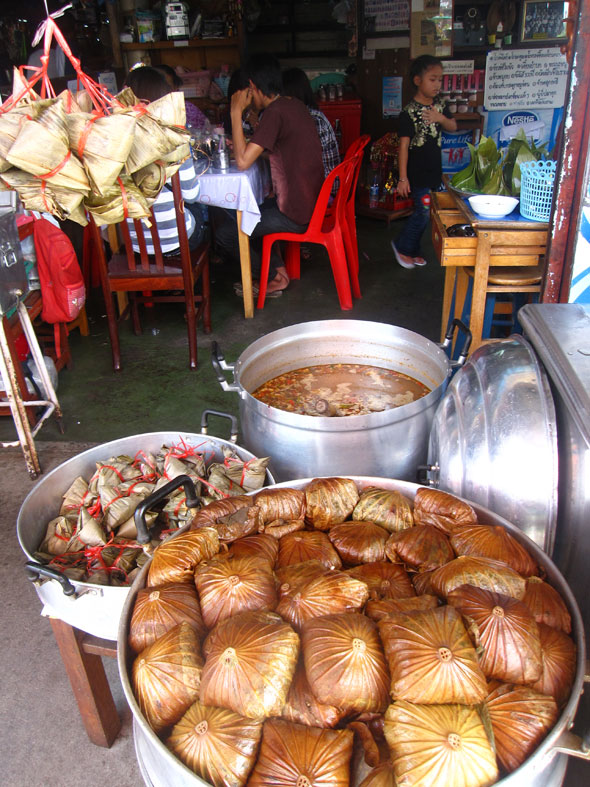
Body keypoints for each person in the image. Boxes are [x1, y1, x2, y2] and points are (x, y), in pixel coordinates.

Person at [214, 54, 324, 297]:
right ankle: (278, 271)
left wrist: (235, 112)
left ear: (252, 87)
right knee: (247, 209)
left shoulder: (274, 112)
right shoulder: (292, 104)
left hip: (296, 212)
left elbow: (242, 162)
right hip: (310, 202)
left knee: (226, 234)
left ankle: (274, 276)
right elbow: (280, 153)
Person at [123, 66, 205, 254]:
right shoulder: (175, 139)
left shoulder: (110, 142)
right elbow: (192, 195)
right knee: (199, 211)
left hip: (133, 245)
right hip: (175, 242)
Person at [392, 55, 457, 270]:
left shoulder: (440, 106)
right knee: (422, 212)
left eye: (440, 79)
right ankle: (403, 247)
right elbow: (403, 147)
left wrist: (441, 119)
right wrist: (403, 178)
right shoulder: (408, 113)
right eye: (432, 79)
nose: (438, 84)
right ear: (418, 80)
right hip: (416, 173)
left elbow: (453, 127)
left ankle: (414, 249)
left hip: (434, 171)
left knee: (427, 214)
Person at [282, 67, 340, 181]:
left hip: (325, 187)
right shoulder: (306, 114)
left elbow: (296, 161)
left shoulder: (312, 120)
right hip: (320, 182)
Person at [154, 64, 210, 132]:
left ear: (175, 87)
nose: (163, 91)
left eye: (168, 87)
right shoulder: (146, 113)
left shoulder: (188, 109)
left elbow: (205, 132)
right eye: (158, 86)